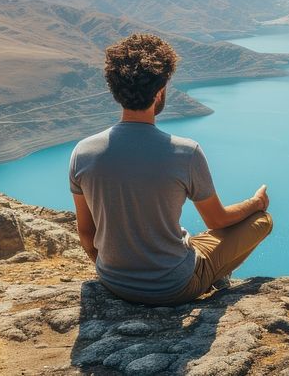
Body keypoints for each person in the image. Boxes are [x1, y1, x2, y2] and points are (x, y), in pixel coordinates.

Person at [69, 33, 273, 305]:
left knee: (189, 236)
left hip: (112, 281)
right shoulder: (185, 152)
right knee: (261, 222)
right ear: (159, 92)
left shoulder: (83, 152)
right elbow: (218, 220)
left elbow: (86, 232)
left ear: (115, 91)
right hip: (174, 287)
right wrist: (255, 203)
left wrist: (115, 271)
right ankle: (213, 278)